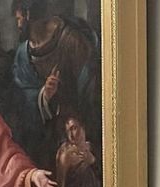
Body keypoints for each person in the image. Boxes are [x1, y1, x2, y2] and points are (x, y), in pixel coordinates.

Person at [12, 0, 100, 166]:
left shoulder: (71, 41)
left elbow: (90, 94)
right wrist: (44, 96)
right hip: (44, 139)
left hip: (76, 133)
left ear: (29, 14)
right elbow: (20, 101)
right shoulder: (22, 55)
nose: (17, 23)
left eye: (19, 18)